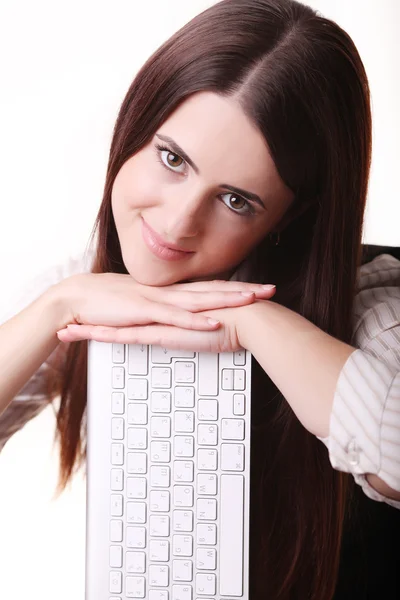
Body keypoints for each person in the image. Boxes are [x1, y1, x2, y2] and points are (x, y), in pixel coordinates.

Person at [0, 0, 399, 598]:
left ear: (292, 217)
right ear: (134, 130)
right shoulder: (92, 291)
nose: (178, 224)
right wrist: (59, 306)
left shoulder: (376, 300)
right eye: (172, 159)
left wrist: (251, 320)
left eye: (237, 200)